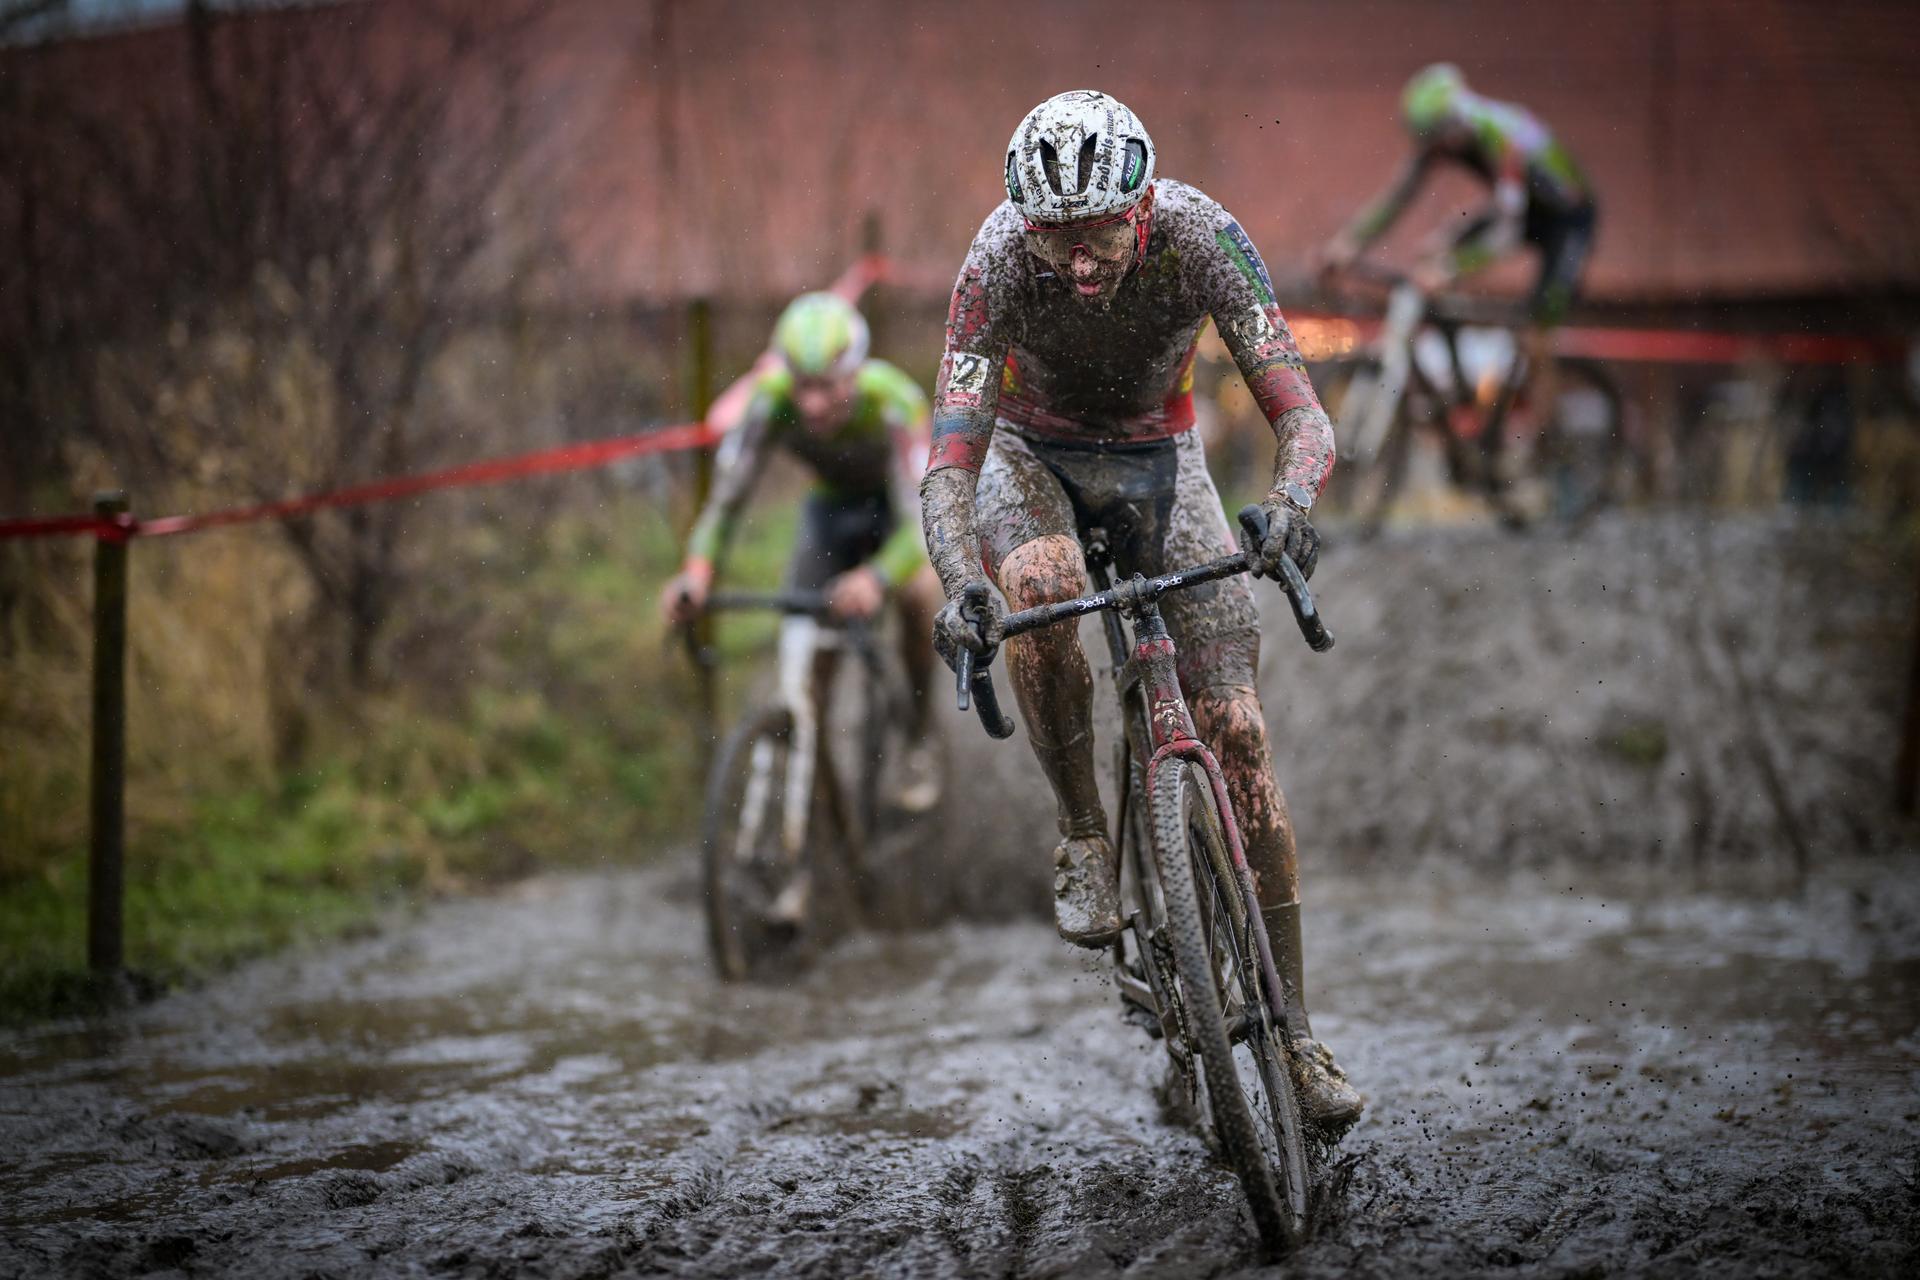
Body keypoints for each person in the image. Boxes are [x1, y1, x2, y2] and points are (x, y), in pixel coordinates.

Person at [918, 89, 1361, 1131]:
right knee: (1038, 588)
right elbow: (949, 463)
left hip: (1164, 459)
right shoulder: (993, 263)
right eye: (1056, 240)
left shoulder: (1205, 237)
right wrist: (957, 579)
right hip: (1030, 457)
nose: (1078, 262)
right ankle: (1081, 827)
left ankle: (1293, 1035)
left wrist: (1291, 507)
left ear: (1144, 204)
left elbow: (1303, 414)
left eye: (1099, 234)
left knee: (1242, 734)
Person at [662, 291, 943, 808]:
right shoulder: (770, 401)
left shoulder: (894, 403)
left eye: (827, 388)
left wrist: (877, 578)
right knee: (809, 675)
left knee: (919, 597)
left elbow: (925, 521)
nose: (811, 404)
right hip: (829, 515)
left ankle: (918, 736)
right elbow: (723, 504)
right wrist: (696, 572)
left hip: (896, 517)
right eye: (802, 387)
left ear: (855, 375)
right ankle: (818, 801)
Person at [1321, 64, 1598, 501]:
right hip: (1521, 209)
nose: (1433, 148)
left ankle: (1543, 452)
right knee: (1433, 253)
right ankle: (1473, 417)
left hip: (1567, 218)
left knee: (1535, 336)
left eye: (1436, 137)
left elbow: (1508, 230)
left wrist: (1450, 271)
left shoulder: (1497, 135)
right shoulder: (1445, 133)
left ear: (1455, 121)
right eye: (1426, 140)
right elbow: (1398, 196)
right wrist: (1348, 243)